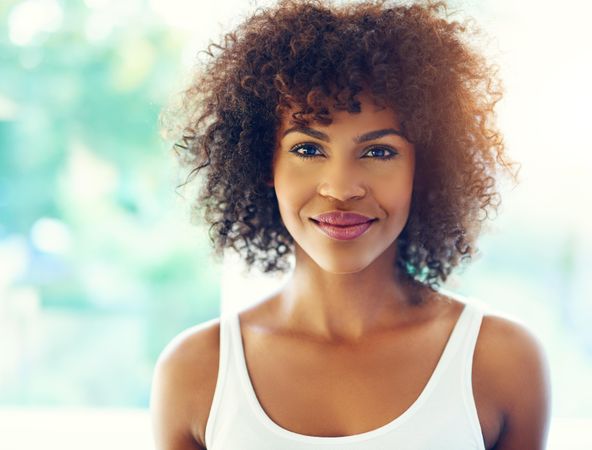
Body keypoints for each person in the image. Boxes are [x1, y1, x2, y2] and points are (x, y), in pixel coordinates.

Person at [150, 0, 551, 448]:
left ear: (427, 167)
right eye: (307, 149)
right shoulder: (196, 371)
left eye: (379, 151)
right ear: (266, 162)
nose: (340, 188)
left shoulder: (500, 362)